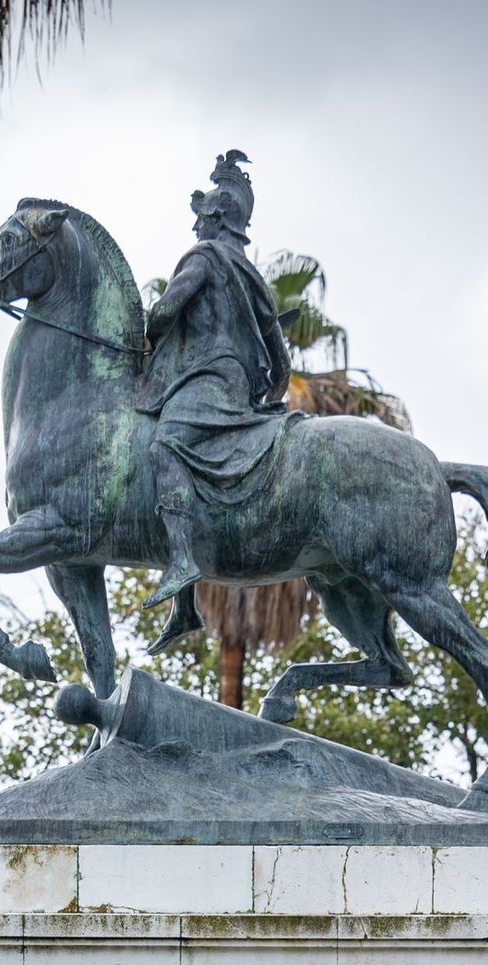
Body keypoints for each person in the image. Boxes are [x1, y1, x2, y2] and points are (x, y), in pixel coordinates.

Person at [141, 149, 292, 615]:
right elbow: (281, 360)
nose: (196, 227)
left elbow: (166, 312)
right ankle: (184, 605)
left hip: (207, 379)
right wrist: (270, 393)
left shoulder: (204, 258)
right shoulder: (253, 277)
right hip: (239, 385)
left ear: (218, 218)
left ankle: (182, 561)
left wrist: (144, 328)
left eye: (202, 217)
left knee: (166, 445)